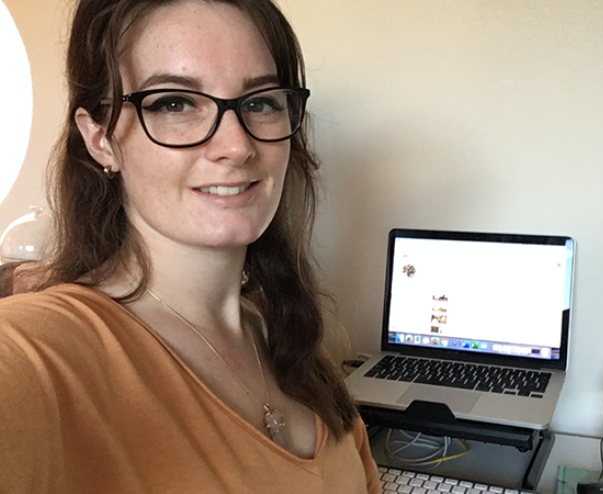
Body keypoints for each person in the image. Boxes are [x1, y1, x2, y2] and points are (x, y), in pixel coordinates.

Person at [0, 0, 382, 492]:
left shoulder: (293, 343)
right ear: (100, 139)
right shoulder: (39, 354)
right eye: (174, 103)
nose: (237, 146)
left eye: (261, 102)